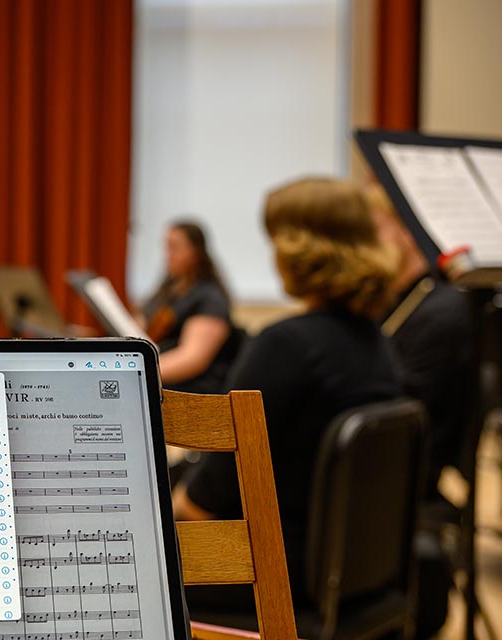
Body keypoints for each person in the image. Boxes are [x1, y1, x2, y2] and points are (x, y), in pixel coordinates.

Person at [175, 178, 401, 613]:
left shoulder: (287, 345)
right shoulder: (379, 344)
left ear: (296, 248)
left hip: (277, 573)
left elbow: (208, 499)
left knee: (113, 568)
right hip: (352, 571)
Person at [366, 183, 476, 497]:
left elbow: (409, 408)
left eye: (374, 230)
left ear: (408, 232)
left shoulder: (442, 309)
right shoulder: (392, 298)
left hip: (401, 474)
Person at [141, 221, 242, 394]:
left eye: (175, 247)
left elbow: (192, 359)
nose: (168, 255)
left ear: (195, 252)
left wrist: (139, 373)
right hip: (162, 378)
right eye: (167, 247)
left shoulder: (210, 297)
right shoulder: (168, 289)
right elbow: (142, 324)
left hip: (191, 389)